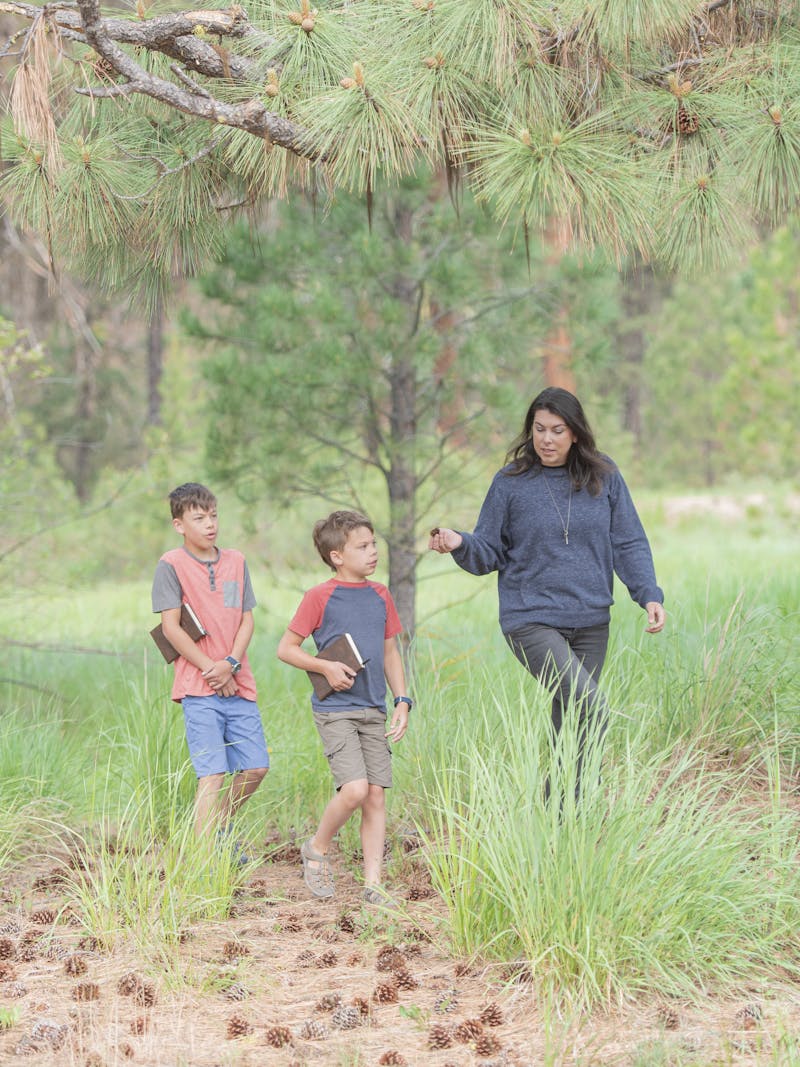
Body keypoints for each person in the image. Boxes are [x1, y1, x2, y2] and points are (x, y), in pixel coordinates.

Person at [429, 387, 665, 800]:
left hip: (592, 620)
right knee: (592, 706)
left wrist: (649, 594)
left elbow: (628, 541)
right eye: (539, 429)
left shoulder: (603, 476)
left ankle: (567, 816)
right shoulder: (510, 483)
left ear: (575, 432)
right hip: (531, 619)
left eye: (557, 430)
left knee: (572, 717)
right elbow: (488, 552)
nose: (547, 439)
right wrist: (459, 543)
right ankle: (559, 805)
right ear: (530, 430)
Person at [277, 510, 411, 903]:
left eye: (374, 544)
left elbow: (390, 652)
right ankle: (316, 849)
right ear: (337, 555)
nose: (373, 552)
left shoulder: (380, 594)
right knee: (353, 790)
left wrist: (402, 700)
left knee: (375, 795)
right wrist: (324, 666)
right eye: (362, 546)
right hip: (335, 710)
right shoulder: (319, 597)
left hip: (374, 708)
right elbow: (286, 649)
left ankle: (373, 885)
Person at [151, 482, 269, 842]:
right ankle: (203, 864)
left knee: (255, 767)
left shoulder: (235, 561)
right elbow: (171, 628)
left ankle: (216, 828)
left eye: (213, 516)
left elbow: (244, 618)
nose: (209, 524)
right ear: (179, 524)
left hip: (238, 681)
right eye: (199, 518)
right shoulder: (171, 565)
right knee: (213, 774)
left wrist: (230, 662)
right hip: (198, 686)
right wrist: (211, 668)